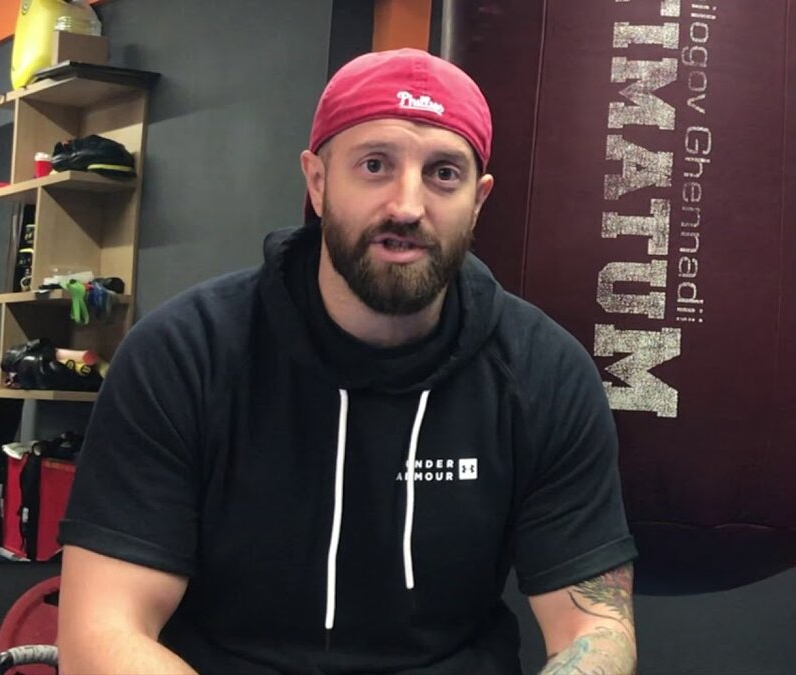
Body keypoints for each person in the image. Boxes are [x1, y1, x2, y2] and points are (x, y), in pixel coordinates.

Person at [55, 48, 638, 675]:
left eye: (444, 174)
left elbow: (595, 626)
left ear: (478, 199)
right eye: (375, 165)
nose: (407, 206)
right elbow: (102, 631)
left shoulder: (544, 374)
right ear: (317, 181)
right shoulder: (182, 355)